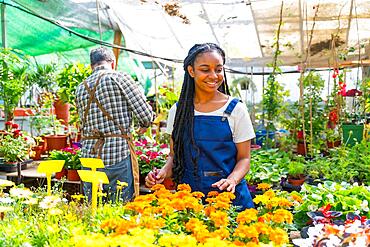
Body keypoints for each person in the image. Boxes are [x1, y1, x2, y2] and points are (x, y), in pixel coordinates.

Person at [145, 43, 255, 210]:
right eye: (205, 69)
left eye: (218, 69)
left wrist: (232, 180)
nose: (214, 75)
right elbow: (174, 157)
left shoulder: (236, 109)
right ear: (191, 71)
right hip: (189, 199)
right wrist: (162, 173)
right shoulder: (179, 111)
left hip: (230, 199)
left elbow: (244, 159)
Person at [76, 47, 153, 202]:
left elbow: (82, 123)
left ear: (92, 66)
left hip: (90, 157)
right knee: (120, 210)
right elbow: (145, 114)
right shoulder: (119, 78)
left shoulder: (80, 88)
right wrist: (143, 124)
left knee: (94, 210)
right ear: (113, 62)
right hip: (117, 153)